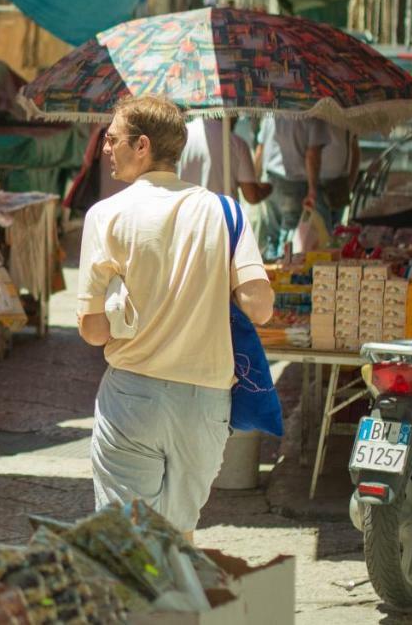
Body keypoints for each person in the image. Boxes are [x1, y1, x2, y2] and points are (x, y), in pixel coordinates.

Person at [77, 96, 273, 535]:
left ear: (141, 145)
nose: (106, 148)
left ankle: (139, 601)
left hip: (132, 397)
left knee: (126, 536)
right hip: (204, 402)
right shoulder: (227, 212)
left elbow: (91, 331)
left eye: (112, 139)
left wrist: (124, 312)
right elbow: (260, 308)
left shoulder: (105, 215)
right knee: (177, 533)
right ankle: (174, 599)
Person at [258, 116, 331, 259]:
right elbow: (312, 155)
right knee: (288, 238)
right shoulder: (314, 116)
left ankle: (271, 276)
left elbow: (260, 148)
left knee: (272, 235)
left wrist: (257, 179)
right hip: (293, 183)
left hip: (269, 179)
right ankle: (281, 273)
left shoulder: (272, 114)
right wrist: (312, 189)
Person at [176, 118, 271, 203]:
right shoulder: (237, 143)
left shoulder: (180, 136)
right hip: (223, 218)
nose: (237, 118)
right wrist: (270, 187)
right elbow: (252, 196)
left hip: (187, 215)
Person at [316, 124, 360, 230]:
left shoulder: (346, 123)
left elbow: (355, 151)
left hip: (339, 180)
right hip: (325, 179)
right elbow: (355, 151)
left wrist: (351, 181)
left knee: (333, 228)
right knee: (325, 228)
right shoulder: (345, 122)